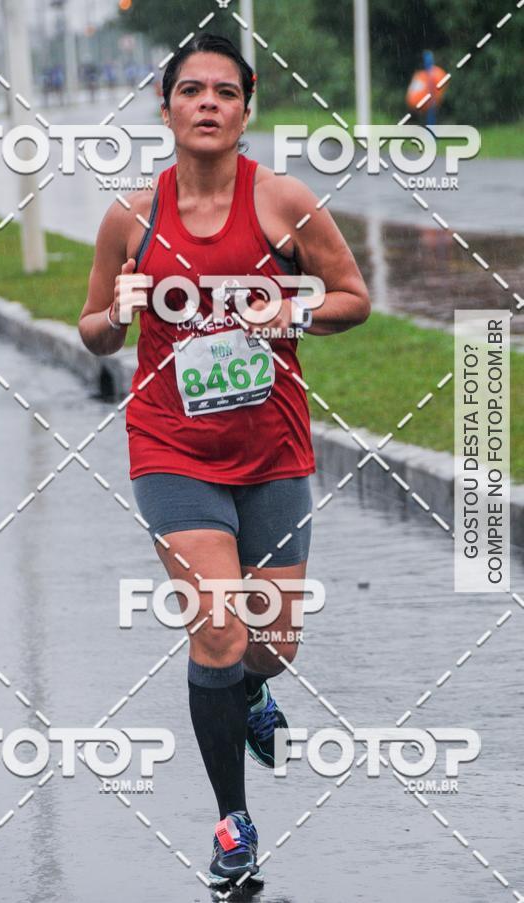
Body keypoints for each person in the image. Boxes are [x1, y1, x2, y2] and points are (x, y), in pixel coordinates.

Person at [78, 33, 370, 887]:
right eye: (191, 90)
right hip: (170, 447)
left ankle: (251, 688)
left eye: (225, 91)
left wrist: (294, 313)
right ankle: (233, 822)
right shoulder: (132, 217)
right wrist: (118, 313)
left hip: (272, 449)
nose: (208, 102)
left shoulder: (283, 203)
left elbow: (354, 298)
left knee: (271, 646)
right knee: (216, 626)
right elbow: (92, 331)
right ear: (166, 107)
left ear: (246, 109)